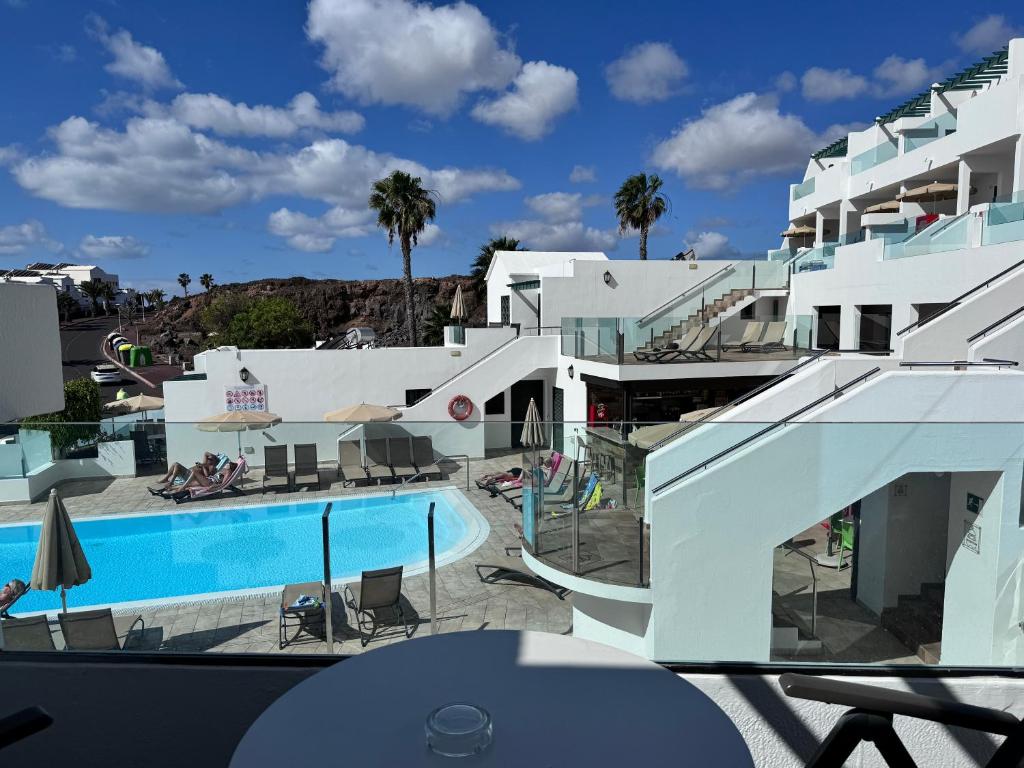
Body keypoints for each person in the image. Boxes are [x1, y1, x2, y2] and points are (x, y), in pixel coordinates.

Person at [148, 452, 220, 495]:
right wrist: (210, 457)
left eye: (210, 459)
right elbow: (206, 453)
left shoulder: (213, 467)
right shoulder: (205, 462)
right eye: (209, 458)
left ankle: (171, 484)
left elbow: (207, 476)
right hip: (188, 474)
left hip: (193, 477)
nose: (208, 459)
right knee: (175, 464)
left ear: (214, 461)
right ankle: (166, 479)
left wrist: (202, 466)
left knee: (178, 465)